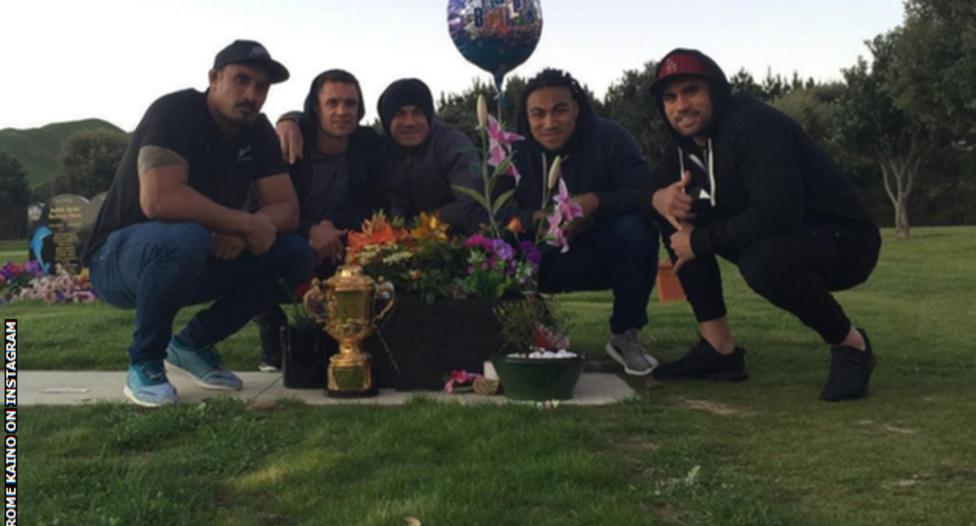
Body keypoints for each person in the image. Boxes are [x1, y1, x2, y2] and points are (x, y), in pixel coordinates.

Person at [82, 40, 315, 407]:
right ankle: (144, 362)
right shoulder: (175, 112)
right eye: (241, 80)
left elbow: (286, 209)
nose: (251, 95)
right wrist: (242, 223)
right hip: (117, 259)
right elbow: (160, 199)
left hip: (196, 252)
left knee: (295, 253)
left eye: (261, 87)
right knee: (185, 238)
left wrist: (246, 228)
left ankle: (192, 344)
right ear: (214, 78)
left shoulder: (258, 131)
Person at [645, 48, 881, 401]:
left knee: (762, 262)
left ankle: (851, 345)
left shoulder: (751, 126)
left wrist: (701, 241)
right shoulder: (684, 144)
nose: (681, 106)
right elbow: (646, 188)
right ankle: (718, 349)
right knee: (674, 213)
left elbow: (779, 211)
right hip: (787, 234)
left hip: (844, 241)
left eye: (691, 90)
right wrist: (657, 197)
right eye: (670, 97)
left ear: (714, 90)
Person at [502, 68, 661, 376]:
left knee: (638, 228)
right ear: (527, 116)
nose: (549, 123)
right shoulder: (511, 149)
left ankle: (625, 333)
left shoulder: (611, 137)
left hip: (598, 251)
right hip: (538, 255)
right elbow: (491, 210)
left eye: (559, 110)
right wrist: (533, 218)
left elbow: (645, 193)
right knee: (496, 240)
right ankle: (536, 323)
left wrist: (595, 203)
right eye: (538, 114)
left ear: (576, 108)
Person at [254, 69, 389, 371]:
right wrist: (310, 229)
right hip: (291, 232)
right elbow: (263, 204)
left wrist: (330, 227)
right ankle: (271, 334)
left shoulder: (369, 145)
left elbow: (375, 202)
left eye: (350, 104)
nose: (342, 112)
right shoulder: (291, 143)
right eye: (332, 103)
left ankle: (351, 334)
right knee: (263, 246)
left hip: (343, 236)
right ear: (316, 107)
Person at [278, 78, 487, 234]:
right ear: (387, 120)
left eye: (417, 112)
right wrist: (290, 120)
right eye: (400, 114)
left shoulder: (452, 144)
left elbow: (473, 202)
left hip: (457, 237)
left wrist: (422, 225)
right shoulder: (376, 147)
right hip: (390, 241)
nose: (409, 122)